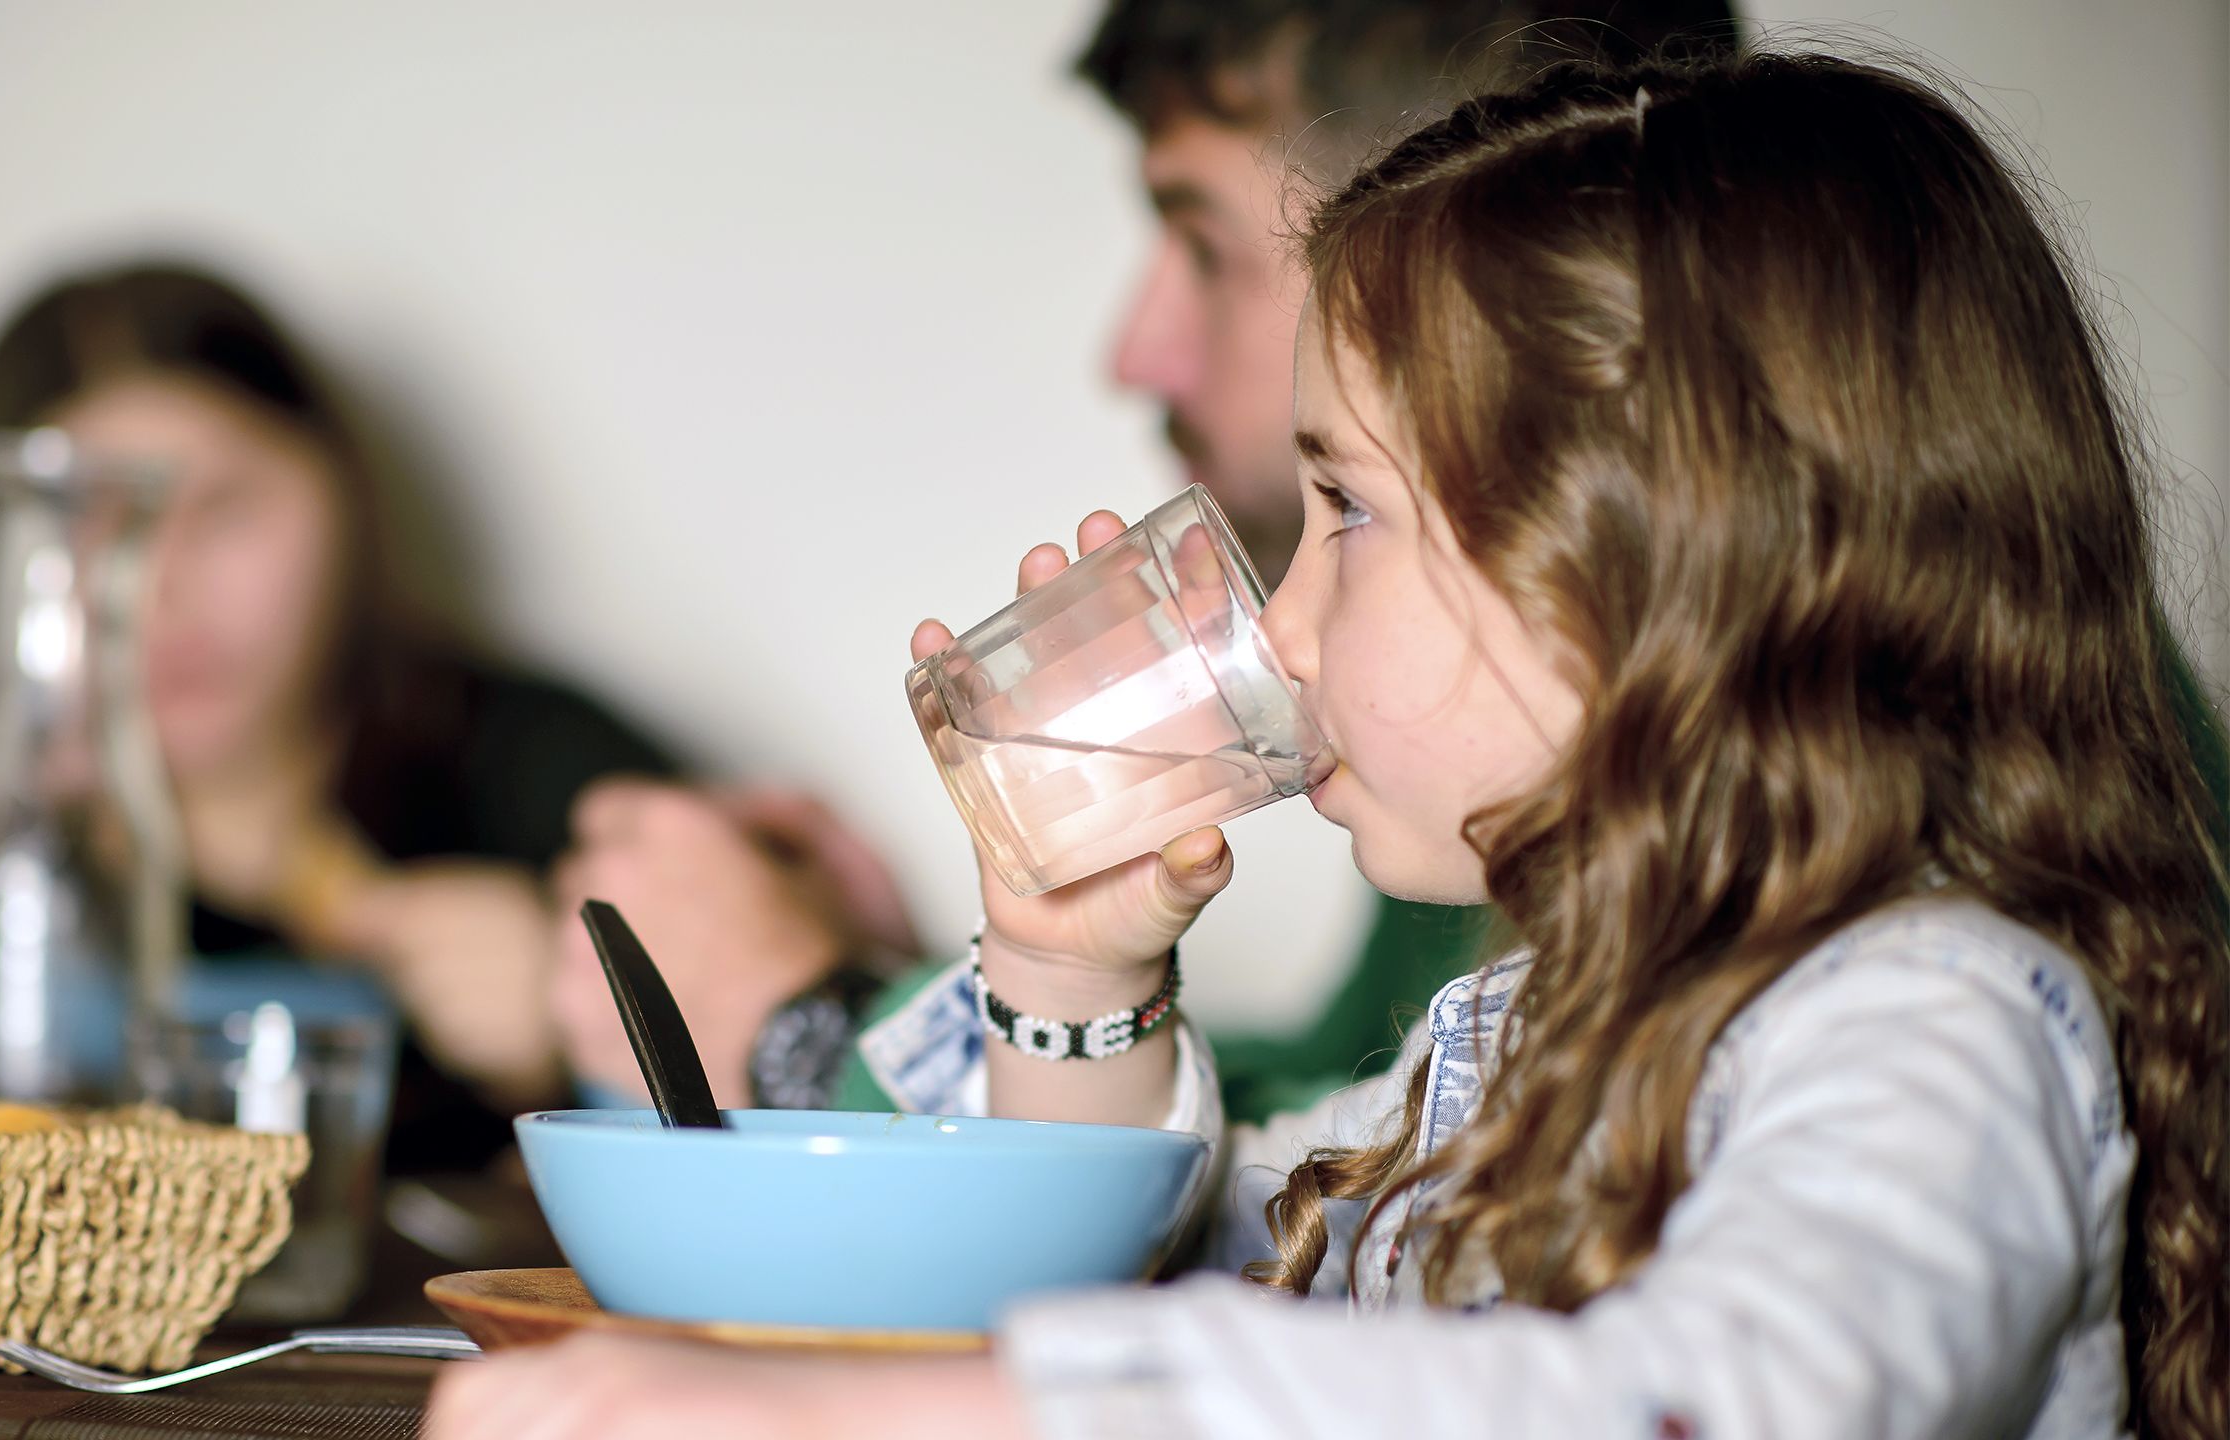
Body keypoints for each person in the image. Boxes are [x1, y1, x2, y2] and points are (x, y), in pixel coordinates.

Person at [432, 51, 2229, 1439]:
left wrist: (848, 1415)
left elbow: (1720, 1398)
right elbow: (1147, 1269)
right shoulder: (1520, 1041)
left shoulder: (1937, 1015)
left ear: (1650, 563)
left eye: (1344, 515)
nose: (1274, 629)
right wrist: (1074, 975)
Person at [549, 0, 1750, 1127]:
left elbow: (1315, 1220)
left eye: (1203, 243)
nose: (1136, 351)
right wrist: (1019, 980)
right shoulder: (1464, 755)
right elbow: (1353, 1135)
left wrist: (808, 1027)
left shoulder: (1799, 934)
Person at [0, 262, 686, 1171]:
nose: (161, 590)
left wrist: (581, 1038)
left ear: (347, 503)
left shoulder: (545, 774)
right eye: (89, 523)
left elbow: (779, 1093)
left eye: (226, 510)